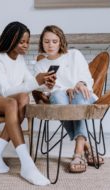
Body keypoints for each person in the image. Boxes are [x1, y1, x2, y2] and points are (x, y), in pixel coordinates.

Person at [0, 21, 55, 186]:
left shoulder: (20, 61)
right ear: (11, 41)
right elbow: (5, 91)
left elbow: (29, 83)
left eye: (27, 42)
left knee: (23, 98)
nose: (26, 45)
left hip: (4, 101)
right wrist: (35, 81)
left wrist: (45, 83)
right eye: (22, 42)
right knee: (12, 103)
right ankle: (27, 164)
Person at [34, 25, 104, 173]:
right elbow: (44, 90)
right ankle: (87, 147)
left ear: (61, 42)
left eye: (54, 41)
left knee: (79, 100)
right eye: (46, 41)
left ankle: (77, 153)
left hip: (81, 94)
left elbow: (86, 77)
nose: (50, 45)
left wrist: (79, 83)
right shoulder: (40, 65)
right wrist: (65, 89)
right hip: (61, 97)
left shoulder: (74, 54)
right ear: (42, 43)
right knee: (59, 98)